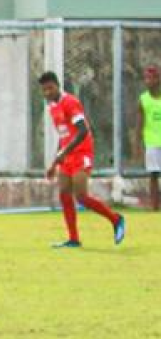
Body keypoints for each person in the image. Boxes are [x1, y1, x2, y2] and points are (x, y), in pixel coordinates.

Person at [38, 71, 125, 248]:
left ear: (58, 86)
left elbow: (83, 130)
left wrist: (65, 152)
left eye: (50, 88)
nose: (47, 92)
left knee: (81, 196)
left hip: (82, 152)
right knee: (64, 194)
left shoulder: (70, 102)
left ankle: (116, 219)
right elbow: (63, 136)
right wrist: (54, 163)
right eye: (44, 90)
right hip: (67, 155)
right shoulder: (52, 107)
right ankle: (74, 239)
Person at [134, 64, 161, 212]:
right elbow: (139, 124)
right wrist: (137, 145)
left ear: (158, 79)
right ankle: (155, 208)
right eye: (146, 78)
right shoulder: (143, 100)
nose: (147, 81)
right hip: (152, 143)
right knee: (153, 175)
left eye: (151, 78)